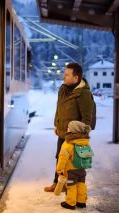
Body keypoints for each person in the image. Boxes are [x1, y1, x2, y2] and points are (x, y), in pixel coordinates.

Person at [44, 63, 94, 192]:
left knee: (74, 163)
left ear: (76, 78)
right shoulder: (63, 89)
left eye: (66, 75)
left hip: (75, 136)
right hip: (63, 133)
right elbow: (59, 109)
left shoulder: (84, 94)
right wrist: (57, 124)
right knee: (60, 158)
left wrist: (82, 137)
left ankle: (73, 187)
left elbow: (87, 118)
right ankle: (57, 184)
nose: (63, 77)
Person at [56, 120, 91, 210]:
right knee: (81, 184)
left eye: (69, 128)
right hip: (82, 169)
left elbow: (62, 157)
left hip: (71, 171)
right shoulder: (85, 141)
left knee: (71, 186)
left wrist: (59, 169)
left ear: (73, 130)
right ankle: (81, 202)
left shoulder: (68, 143)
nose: (67, 129)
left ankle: (70, 203)